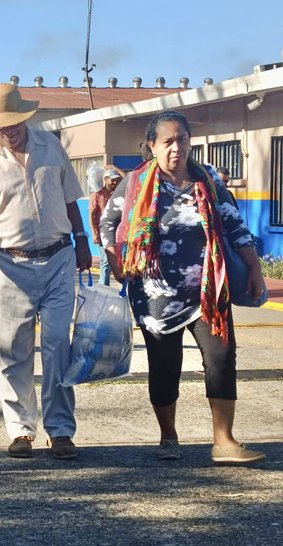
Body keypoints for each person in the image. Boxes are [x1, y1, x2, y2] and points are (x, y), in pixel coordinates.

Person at [100, 110, 266, 464]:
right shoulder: (136, 182)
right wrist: (117, 262)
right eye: (168, 141)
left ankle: (224, 441)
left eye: (183, 140)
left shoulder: (208, 180)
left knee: (221, 359)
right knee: (165, 364)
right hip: (156, 295)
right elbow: (108, 224)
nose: (177, 147)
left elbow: (235, 226)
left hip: (208, 290)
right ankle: (168, 438)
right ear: (152, 146)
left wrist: (254, 267)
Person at [0, 83, 92, 461]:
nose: (7, 129)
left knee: (60, 345)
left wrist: (82, 243)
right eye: (0, 124)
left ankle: (60, 431)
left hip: (59, 260)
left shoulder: (51, 147)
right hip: (9, 265)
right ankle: (21, 430)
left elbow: (70, 199)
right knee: (12, 350)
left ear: (24, 117)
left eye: (12, 122)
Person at [89, 167, 123, 286]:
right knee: (106, 260)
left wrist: (114, 167)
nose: (115, 182)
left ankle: (103, 286)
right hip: (100, 232)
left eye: (117, 180)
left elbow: (127, 180)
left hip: (114, 232)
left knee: (112, 259)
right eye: (112, 180)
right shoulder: (96, 195)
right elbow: (91, 215)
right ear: (105, 179)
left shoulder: (116, 193)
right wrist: (94, 233)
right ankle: (104, 287)